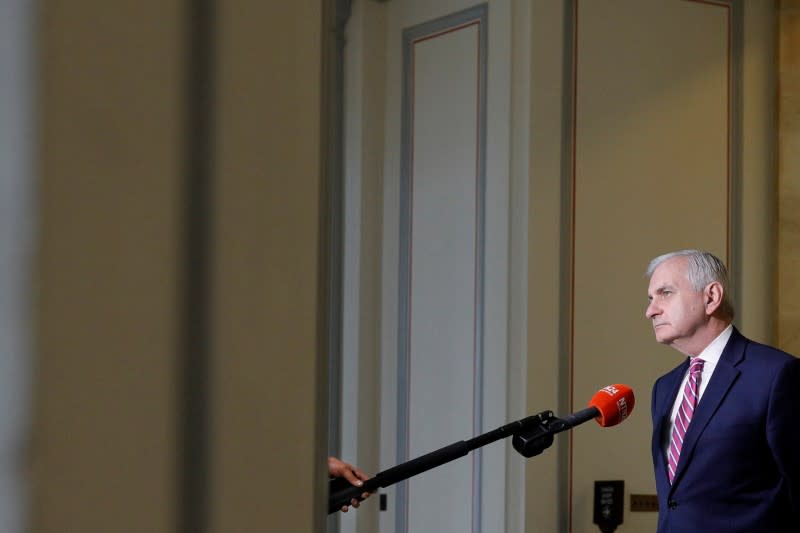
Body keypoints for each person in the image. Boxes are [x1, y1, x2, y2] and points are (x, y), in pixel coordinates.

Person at [645, 249, 800, 532]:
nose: (651, 310)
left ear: (711, 297)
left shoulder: (776, 374)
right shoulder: (663, 388)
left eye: (665, 293)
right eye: (650, 299)